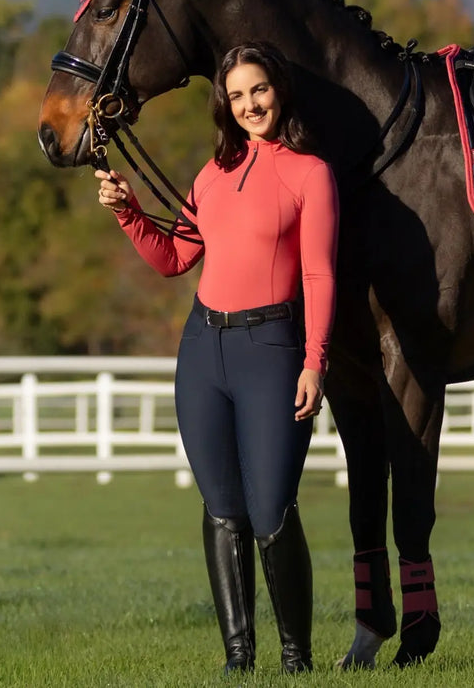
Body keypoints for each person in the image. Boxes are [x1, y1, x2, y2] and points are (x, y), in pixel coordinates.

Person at [96, 42, 338, 674]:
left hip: (274, 350)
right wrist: (127, 212)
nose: (250, 103)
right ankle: (238, 661)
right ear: (224, 106)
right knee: (223, 508)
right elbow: (173, 258)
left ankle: (296, 660)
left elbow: (319, 275)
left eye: (258, 89)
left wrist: (315, 360)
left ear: (278, 91)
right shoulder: (210, 175)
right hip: (203, 350)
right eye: (236, 95)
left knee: (270, 512)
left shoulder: (310, 173)